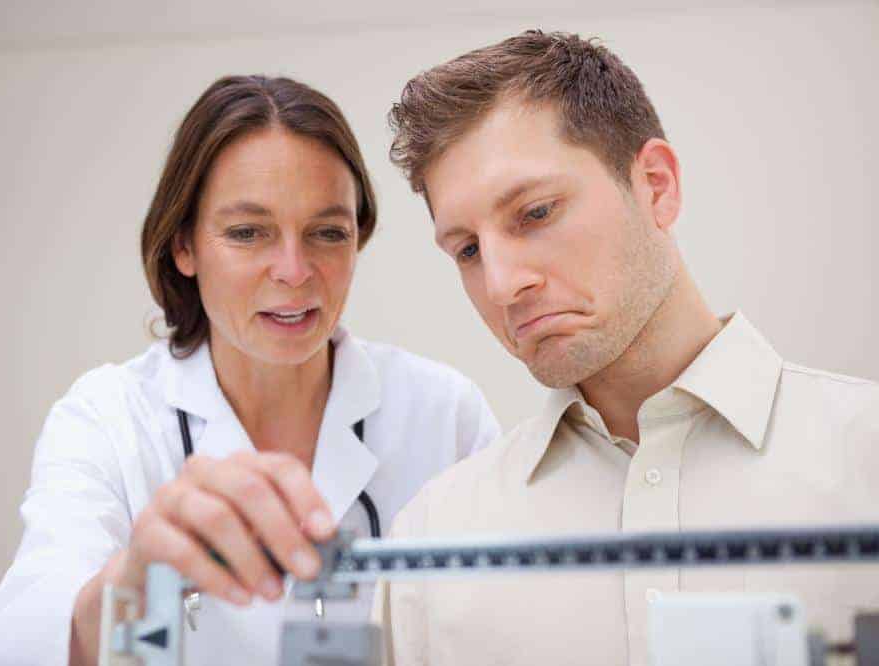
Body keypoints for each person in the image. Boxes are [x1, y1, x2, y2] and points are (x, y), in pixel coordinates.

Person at [374, 30, 879, 666]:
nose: (502, 286)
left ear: (656, 186)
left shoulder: (869, 461)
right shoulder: (431, 542)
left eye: (535, 213)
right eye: (468, 250)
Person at [0, 75, 501, 666]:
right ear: (184, 246)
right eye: (248, 233)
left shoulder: (444, 412)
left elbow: (509, 628)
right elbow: (9, 644)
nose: (295, 271)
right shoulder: (109, 418)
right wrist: (134, 581)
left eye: (327, 233)